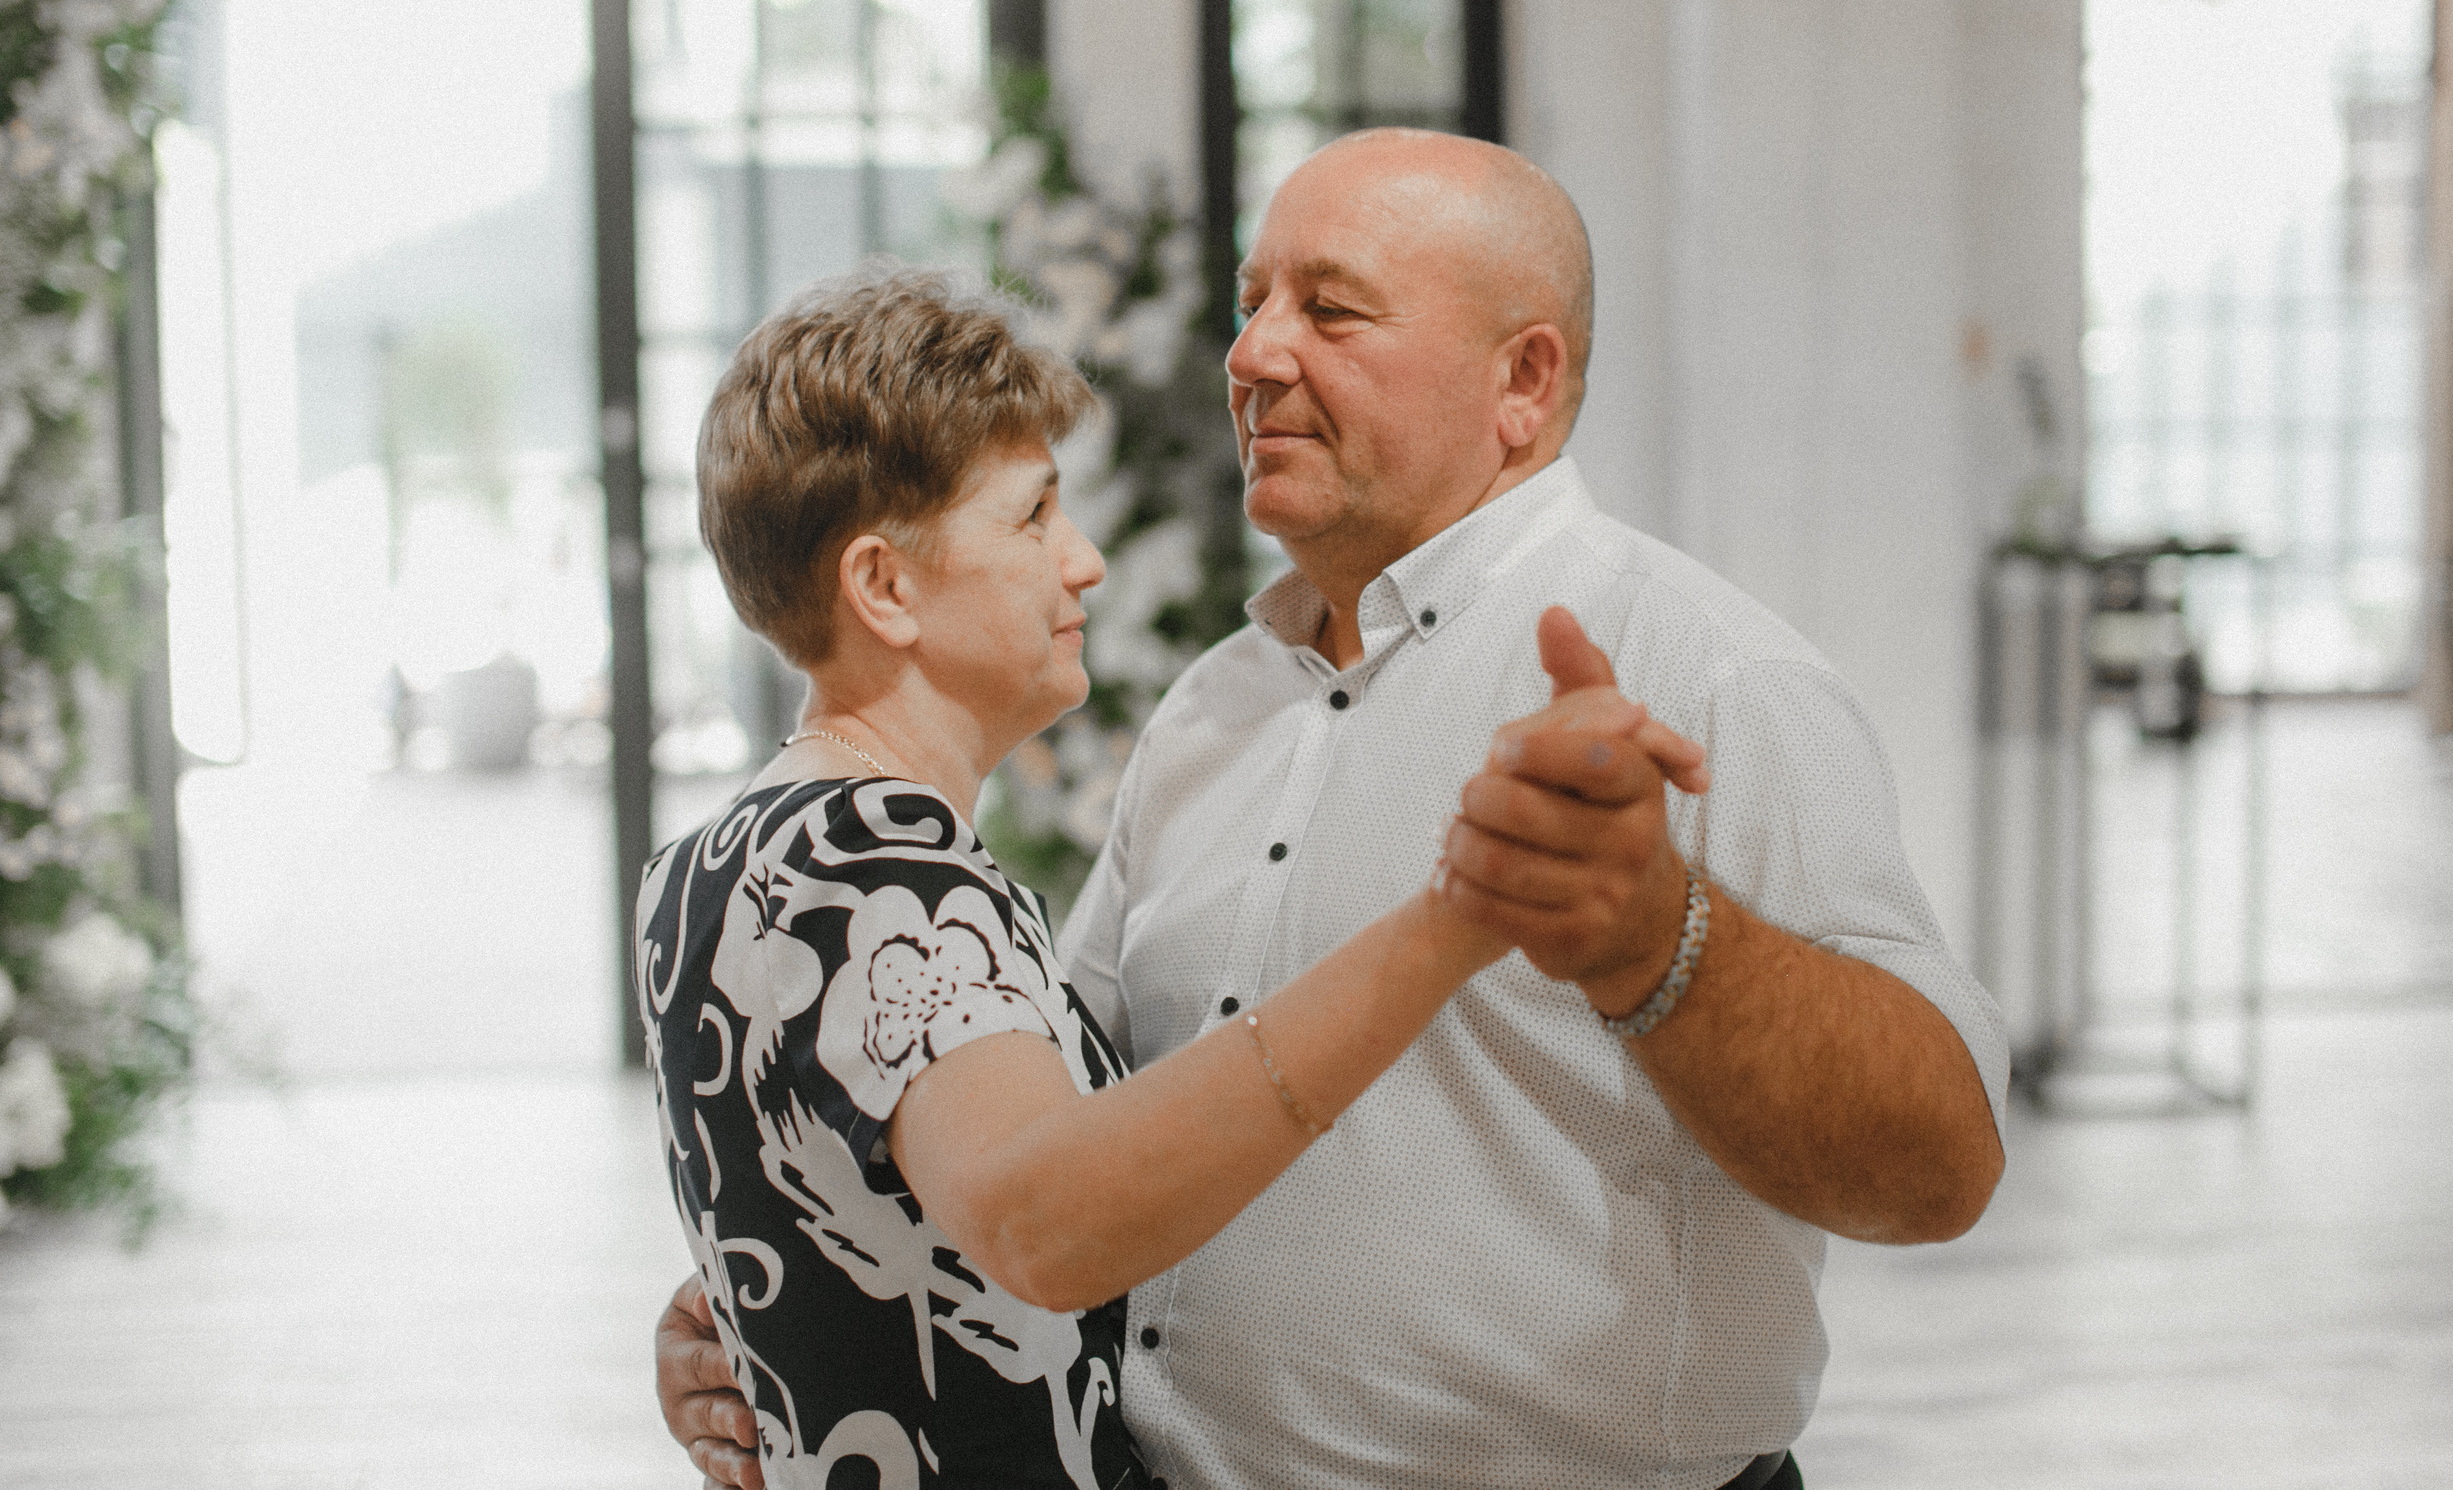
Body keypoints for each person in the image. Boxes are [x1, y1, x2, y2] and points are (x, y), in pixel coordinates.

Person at [661, 132, 2010, 1490]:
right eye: (1252, 302)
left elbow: (1940, 1166)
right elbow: (1049, 1133)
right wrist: (801, 1300)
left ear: (1522, 381)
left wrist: (1662, 936)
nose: (1252, 353)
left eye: (1332, 308)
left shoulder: (1709, 674)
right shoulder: (1209, 709)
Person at [637, 267, 1708, 1490]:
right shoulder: (876, 860)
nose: (1083, 562)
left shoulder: (710, 862)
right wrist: (1460, 914)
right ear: (884, 587)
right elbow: (1045, 1220)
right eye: (1033, 517)